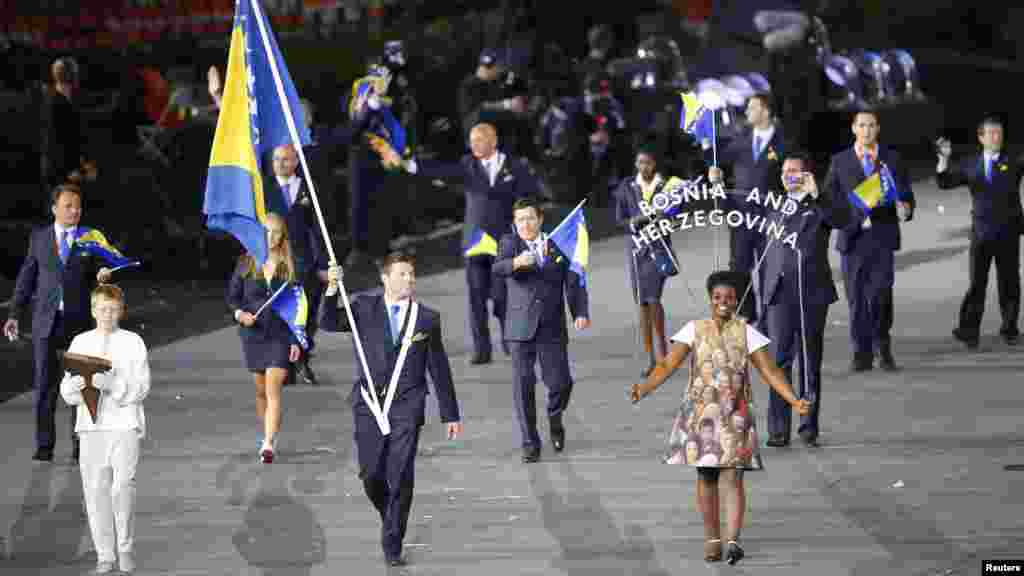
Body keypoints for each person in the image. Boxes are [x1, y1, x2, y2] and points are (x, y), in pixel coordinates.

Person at [630, 270, 811, 564]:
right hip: (701, 415)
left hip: (735, 414)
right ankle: (712, 538)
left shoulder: (747, 332)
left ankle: (733, 540)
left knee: (734, 476)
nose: (723, 302)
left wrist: (793, 400)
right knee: (706, 476)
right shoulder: (693, 329)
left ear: (737, 300)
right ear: (710, 299)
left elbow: (770, 371)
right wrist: (645, 388)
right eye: (717, 297)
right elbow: (667, 365)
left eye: (729, 297)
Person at [320, 253, 462, 567]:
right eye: (402, 274)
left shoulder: (426, 318)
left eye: (411, 274)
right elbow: (327, 322)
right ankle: (391, 515)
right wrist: (331, 288)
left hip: (408, 405)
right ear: (385, 279)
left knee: (400, 473)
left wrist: (450, 413)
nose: (409, 279)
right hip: (369, 404)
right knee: (371, 474)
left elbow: (439, 368)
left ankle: (392, 542)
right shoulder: (363, 307)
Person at [401, 122, 539, 364]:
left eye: (479, 140)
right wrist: (410, 165)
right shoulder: (468, 165)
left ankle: (510, 341)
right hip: (475, 243)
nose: (474, 145)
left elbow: (528, 197)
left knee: (502, 296)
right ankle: (481, 350)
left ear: (493, 141)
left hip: (503, 243)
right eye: (472, 140)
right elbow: (442, 170)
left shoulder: (514, 166)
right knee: (476, 299)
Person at [5, 184, 113, 462]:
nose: (75, 211)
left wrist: (104, 274)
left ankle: (81, 446)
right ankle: (44, 447)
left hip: (80, 325)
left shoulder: (89, 238)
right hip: (46, 323)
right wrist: (15, 313)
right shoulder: (39, 238)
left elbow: (103, 272)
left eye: (78, 206)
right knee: (44, 387)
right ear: (54, 209)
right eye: (68, 206)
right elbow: (27, 277)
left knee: (83, 386)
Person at [59, 283, 150, 575]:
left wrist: (113, 385)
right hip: (91, 426)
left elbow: (142, 387)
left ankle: (125, 548)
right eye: (102, 309)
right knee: (95, 489)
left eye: (113, 310)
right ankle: (105, 554)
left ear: (121, 311)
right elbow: (67, 388)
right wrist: (74, 387)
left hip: (124, 423)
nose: (107, 315)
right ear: (93, 311)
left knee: (123, 487)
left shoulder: (133, 342)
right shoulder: (81, 341)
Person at [760, 152, 848, 447]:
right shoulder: (774, 206)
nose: (788, 175)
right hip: (779, 293)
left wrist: (817, 193)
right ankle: (778, 429)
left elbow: (843, 219)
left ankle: (808, 425)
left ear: (807, 174)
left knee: (810, 362)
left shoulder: (819, 204)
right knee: (778, 361)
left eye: (794, 171)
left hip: (811, 293)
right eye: (785, 171)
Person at [493, 197, 590, 463]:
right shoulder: (510, 243)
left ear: (540, 219)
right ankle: (530, 442)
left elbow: (573, 280)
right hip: (519, 328)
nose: (525, 224)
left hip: (551, 327)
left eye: (530, 218)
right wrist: (516, 263)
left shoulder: (557, 245)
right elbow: (498, 267)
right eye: (520, 220)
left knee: (561, 383)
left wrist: (580, 312)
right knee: (523, 387)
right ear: (515, 223)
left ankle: (554, 418)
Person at [824, 109, 914, 372]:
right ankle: (860, 352)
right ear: (854, 128)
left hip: (882, 238)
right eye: (862, 125)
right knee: (856, 300)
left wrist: (906, 208)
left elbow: (906, 194)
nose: (867, 130)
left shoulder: (892, 159)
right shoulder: (840, 160)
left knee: (881, 296)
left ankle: (882, 348)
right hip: (852, 240)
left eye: (872, 125)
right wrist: (848, 213)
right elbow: (829, 199)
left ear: (878, 129)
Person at [937, 116, 1024, 349]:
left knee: (1009, 282)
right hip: (981, 234)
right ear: (981, 137)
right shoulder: (970, 163)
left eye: (1000, 133)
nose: (997, 137)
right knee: (976, 283)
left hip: (1008, 232)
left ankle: (1009, 329)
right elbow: (945, 182)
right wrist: (943, 159)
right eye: (992, 133)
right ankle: (969, 330)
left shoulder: (1013, 160)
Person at [227, 213, 304, 464]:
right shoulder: (246, 263)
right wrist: (240, 315)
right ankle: (267, 434)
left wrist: (295, 339)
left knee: (273, 390)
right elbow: (232, 298)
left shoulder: (290, 266)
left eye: (276, 232)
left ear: (282, 237)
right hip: (253, 335)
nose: (271, 237)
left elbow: (299, 305)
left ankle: (269, 443)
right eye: (266, 232)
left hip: (280, 335)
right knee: (260, 391)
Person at [708, 93, 786, 323]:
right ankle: (749, 314)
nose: (747, 112)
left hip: (769, 216)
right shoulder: (741, 140)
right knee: (738, 267)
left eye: (752, 108)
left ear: (766, 111)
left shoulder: (783, 143)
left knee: (768, 267)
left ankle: (770, 319)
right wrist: (715, 173)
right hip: (741, 215)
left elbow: (792, 176)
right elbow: (718, 159)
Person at [265, 144, 325, 385]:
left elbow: (320, 228)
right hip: (276, 260)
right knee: (280, 311)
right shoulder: (264, 190)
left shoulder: (309, 188)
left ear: (296, 161)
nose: (280, 164)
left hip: (304, 260)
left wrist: (323, 264)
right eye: (276, 159)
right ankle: (283, 365)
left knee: (306, 312)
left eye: (286, 159)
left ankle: (303, 359)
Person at [614, 147, 675, 376]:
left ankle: (663, 355)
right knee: (642, 302)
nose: (644, 167)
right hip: (637, 251)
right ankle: (650, 357)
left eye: (648, 162)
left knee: (654, 299)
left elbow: (678, 213)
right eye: (640, 162)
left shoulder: (666, 185)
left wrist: (664, 217)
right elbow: (619, 219)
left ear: (655, 164)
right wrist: (635, 221)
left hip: (658, 249)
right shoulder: (627, 186)